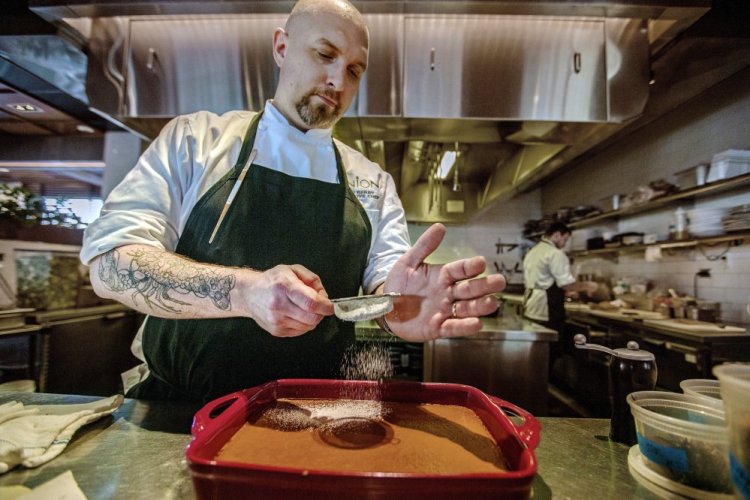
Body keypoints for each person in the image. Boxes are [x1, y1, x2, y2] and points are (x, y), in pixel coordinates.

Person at [80, 0, 505, 403]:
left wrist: (401, 306)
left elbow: (385, 285)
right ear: (282, 47)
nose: (339, 82)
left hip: (312, 418)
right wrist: (245, 293)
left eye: (354, 70)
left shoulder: (372, 182)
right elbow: (110, 265)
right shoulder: (197, 141)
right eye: (325, 55)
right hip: (176, 414)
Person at [522, 222, 597, 335]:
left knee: (539, 345)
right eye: (565, 240)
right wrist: (589, 286)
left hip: (531, 305)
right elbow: (566, 284)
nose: (564, 244)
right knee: (553, 346)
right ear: (557, 235)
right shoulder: (555, 253)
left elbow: (543, 280)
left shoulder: (533, 251)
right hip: (547, 309)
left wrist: (565, 293)